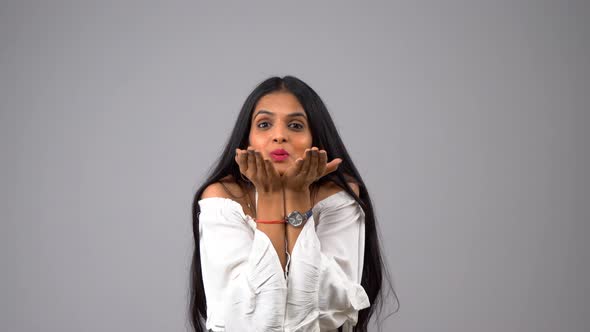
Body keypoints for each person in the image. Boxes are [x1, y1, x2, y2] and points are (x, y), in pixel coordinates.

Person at [189, 75, 397, 332]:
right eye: (264, 124)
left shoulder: (338, 198)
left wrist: (297, 196)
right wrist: (270, 196)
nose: (279, 136)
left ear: (315, 138)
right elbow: (252, 323)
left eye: (296, 126)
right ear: (247, 139)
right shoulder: (221, 198)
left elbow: (321, 317)